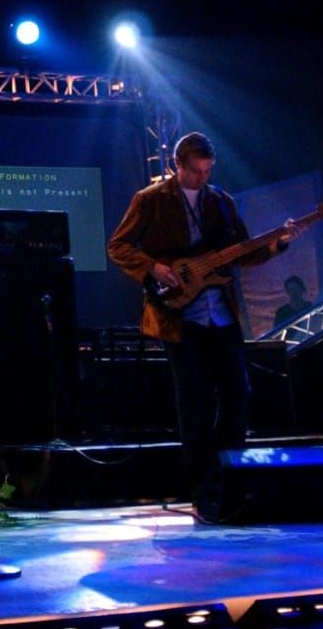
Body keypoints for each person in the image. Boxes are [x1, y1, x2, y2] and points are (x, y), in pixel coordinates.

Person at [107, 132, 300, 523]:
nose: (201, 178)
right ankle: (201, 491)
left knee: (238, 395)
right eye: (194, 171)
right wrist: (154, 268)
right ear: (178, 165)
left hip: (222, 313)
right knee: (194, 402)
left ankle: (232, 477)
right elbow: (118, 246)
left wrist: (278, 244)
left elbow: (246, 252)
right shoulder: (151, 200)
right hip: (180, 318)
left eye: (207, 171)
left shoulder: (222, 202)